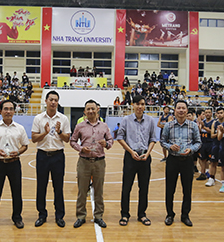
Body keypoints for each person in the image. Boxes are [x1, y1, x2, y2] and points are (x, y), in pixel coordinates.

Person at [0, 100, 29, 230]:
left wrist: (18, 152)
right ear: (1, 111)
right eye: (5, 109)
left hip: (14, 163)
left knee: (17, 192)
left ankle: (17, 218)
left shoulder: (19, 128)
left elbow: (25, 145)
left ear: (14, 111)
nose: (8, 111)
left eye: (11, 109)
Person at [70, 99, 113, 229]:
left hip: (99, 162)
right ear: (84, 111)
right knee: (82, 191)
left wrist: (107, 144)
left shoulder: (104, 126)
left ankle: (98, 216)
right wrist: (80, 148)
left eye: (93, 108)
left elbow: (110, 140)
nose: (90, 111)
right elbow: (72, 141)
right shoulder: (80, 126)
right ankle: (81, 216)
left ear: (97, 110)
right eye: (88, 109)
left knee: (99, 191)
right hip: (84, 162)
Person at [31, 91, 71, 228]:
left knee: (58, 187)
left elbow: (67, 139)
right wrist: (45, 133)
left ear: (58, 102)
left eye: (56, 100)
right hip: (42, 155)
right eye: (51, 99)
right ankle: (42, 215)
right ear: (46, 101)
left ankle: (59, 216)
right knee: (41, 187)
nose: (53, 102)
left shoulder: (63, 119)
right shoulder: (38, 118)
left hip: (58, 156)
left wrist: (59, 132)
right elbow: (34, 139)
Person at [116, 95, 157, 226]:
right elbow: (120, 137)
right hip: (130, 157)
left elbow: (153, 139)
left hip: (145, 157)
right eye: (137, 104)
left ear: (145, 106)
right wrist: (130, 151)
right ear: (133, 105)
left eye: (142, 104)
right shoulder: (126, 120)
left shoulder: (150, 120)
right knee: (126, 187)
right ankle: (125, 214)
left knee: (144, 187)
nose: (140, 106)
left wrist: (148, 153)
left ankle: (142, 214)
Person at [161, 100, 202, 227]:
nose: (181, 110)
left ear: (187, 110)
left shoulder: (193, 126)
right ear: (175, 110)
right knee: (170, 189)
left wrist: (192, 150)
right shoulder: (168, 125)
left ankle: (185, 215)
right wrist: (169, 146)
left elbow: (198, 142)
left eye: (183, 108)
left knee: (187, 189)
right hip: (172, 160)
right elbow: (162, 141)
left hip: (187, 160)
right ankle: (170, 214)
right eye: (178, 108)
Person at [197, 108, 214, 182]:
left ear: (211, 113)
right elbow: (200, 131)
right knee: (202, 159)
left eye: (209, 112)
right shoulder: (202, 121)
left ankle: (212, 176)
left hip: (210, 143)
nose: (207, 114)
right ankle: (203, 173)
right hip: (203, 142)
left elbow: (212, 132)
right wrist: (199, 127)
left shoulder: (213, 122)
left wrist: (203, 127)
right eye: (206, 112)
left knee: (212, 161)